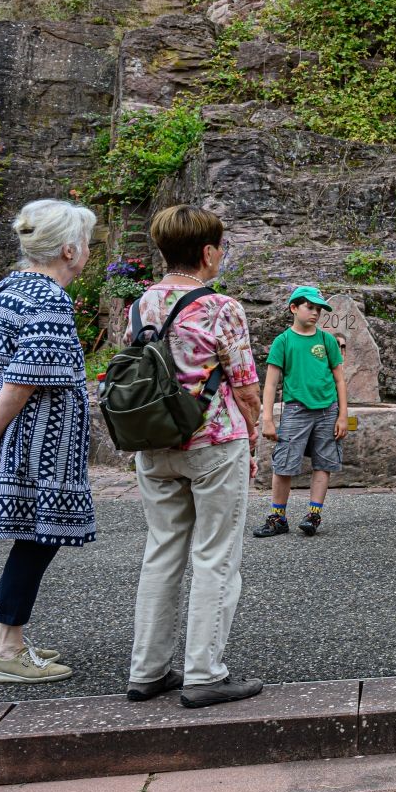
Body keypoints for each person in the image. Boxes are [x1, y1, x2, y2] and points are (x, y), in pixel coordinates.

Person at [124, 204, 267, 707]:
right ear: (208, 252)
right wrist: (253, 434)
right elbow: (246, 385)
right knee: (216, 558)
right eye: (221, 248)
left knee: (161, 553)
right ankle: (204, 672)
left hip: (153, 443)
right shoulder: (220, 307)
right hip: (212, 441)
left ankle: (147, 671)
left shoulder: (140, 307)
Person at [0, 199, 99, 686]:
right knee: (39, 537)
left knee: (30, 536)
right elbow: (25, 377)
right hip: (38, 443)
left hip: (3, 436)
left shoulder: (1, 290)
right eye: (86, 244)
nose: (88, 253)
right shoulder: (49, 298)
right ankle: (8, 647)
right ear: (68, 249)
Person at [254, 286, 348, 538]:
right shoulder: (283, 341)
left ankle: (313, 514)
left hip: (327, 410)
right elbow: (271, 383)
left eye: (318, 309)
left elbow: (340, 379)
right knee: (284, 464)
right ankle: (278, 517)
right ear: (294, 308)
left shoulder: (327, 340)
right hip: (296, 410)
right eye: (310, 307)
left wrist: (342, 415)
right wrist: (267, 419)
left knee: (324, 462)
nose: (315, 313)